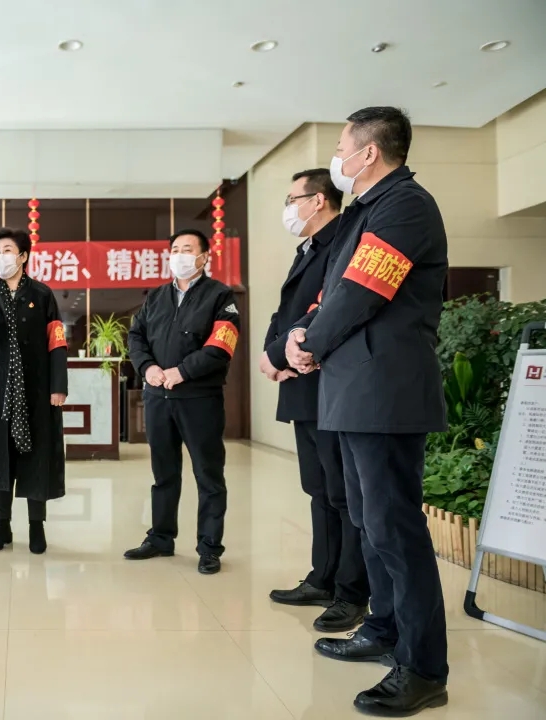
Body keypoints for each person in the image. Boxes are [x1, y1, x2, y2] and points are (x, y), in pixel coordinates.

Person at [284, 107, 449, 716]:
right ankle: (383, 628)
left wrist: (311, 342)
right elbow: (333, 291)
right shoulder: (365, 211)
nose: (337, 157)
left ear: (369, 152)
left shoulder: (405, 207)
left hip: (385, 393)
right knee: (369, 521)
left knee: (394, 528)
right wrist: (301, 334)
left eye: (341, 147)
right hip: (355, 392)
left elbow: (362, 292)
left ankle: (423, 668)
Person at [262, 170, 370, 632]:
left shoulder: (342, 241)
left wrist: (280, 353)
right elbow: (284, 312)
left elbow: (323, 311)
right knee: (318, 488)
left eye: (293, 198)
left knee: (342, 494)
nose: (288, 208)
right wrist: (271, 355)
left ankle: (351, 592)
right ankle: (322, 578)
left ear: (319, 200)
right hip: (301, 383)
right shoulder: (306, 248)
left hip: (326, 381)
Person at [124, 229, 240, 574]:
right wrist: (148, 367)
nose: (179, 255)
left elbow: (222, 345)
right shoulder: (156, 297)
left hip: (199, 399)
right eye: (175, 249)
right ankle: (161, 537)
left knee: (208, 474)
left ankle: (209, 547)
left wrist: (183, 371)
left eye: (187, 249)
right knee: (163, 473)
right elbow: (136, 336)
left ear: (204, 257)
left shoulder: (220, 296)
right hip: (158, 398)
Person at [0, 228, 68, 554]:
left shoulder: (42, 295)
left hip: (36, 389)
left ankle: (36, 526)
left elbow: (57, 342)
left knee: (36, 458)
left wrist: (58, 386)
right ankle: (1, 526)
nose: (0, 257)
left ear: (23, 256)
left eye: (7, 250)